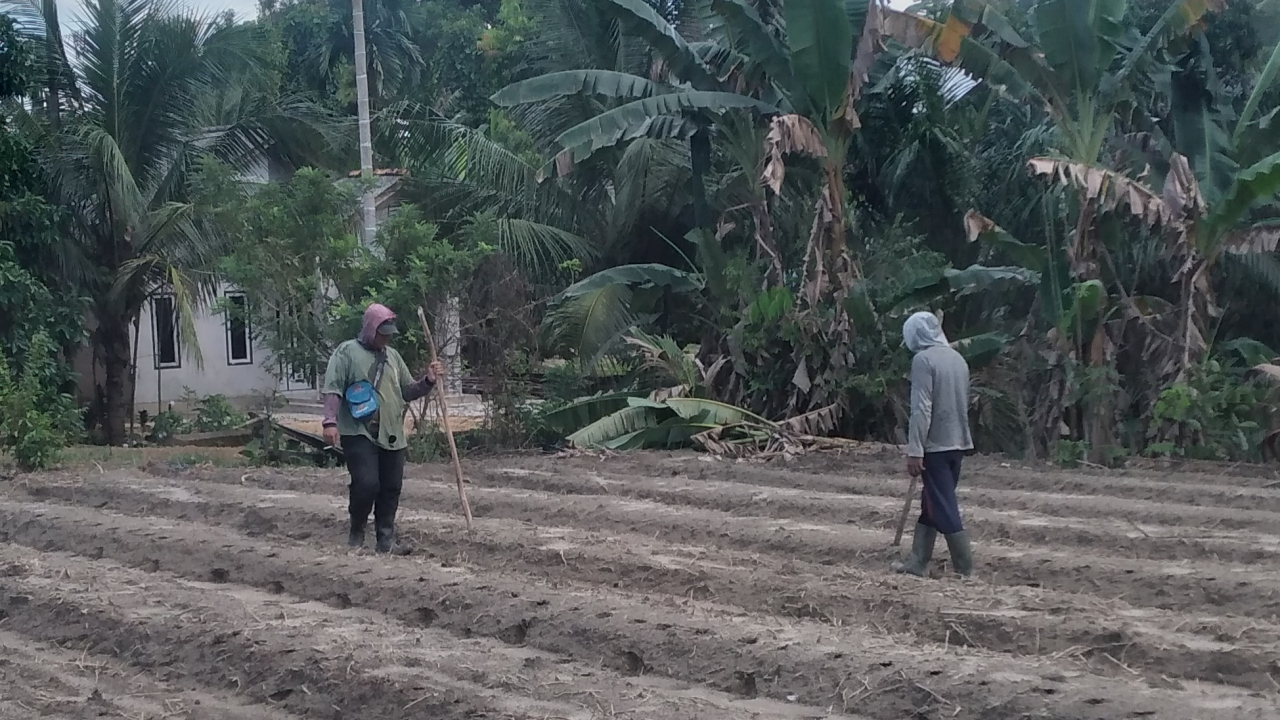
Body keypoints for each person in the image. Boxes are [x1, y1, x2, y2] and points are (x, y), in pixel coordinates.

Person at [322, 303, 443, 554]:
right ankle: (356, 533)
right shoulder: (346, 352)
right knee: (366, 484)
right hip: (358, 432)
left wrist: (428, 380)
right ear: (370, 328)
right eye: (382, 333)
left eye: (388, 334)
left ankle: (385, 540)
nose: (386, 338)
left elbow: (408, 390)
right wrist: (330, 422)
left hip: (392, 433)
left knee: (391, 486)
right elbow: (333, 388)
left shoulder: (393, 357)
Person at [891, 311, 975, 578]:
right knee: (933, 502)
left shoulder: (923, 360)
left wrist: (915, 449)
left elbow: (921, 408)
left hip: (935, 445)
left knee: (944, 505)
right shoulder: (958, 359)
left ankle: (965, 570)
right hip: (958, 442)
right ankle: (917, 562)